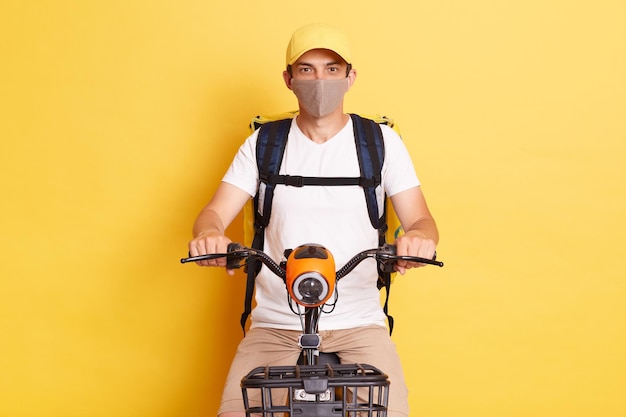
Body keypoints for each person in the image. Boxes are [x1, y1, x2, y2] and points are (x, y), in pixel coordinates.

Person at [188, 23, 439, 417]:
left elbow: (422, 220)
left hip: (359, 323)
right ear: (288, 79)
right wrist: (208, 235)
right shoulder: (264, 144)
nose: (319, 79)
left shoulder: (380, 142)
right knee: (237, 412)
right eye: (306, 69)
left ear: (350, 77)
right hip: (275, 324)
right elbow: (214, 212)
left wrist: (418, 239)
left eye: (332, 68)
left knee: (389, 411)